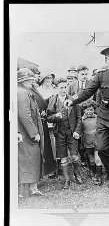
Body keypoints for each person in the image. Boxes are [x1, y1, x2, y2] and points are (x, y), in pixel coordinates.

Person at [65, 46, 109, 194]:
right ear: (106, 60)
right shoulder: (100, 76)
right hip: (104, 117)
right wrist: (72, 100)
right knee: (102, 149)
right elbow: (87, 91)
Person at [47, 78, 83, 189]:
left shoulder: (73, 100)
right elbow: (48, 117)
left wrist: (77, 131)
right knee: (63, 158)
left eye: (65, 87)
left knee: (74, 156)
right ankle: (67, 179)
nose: (63, 90)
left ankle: (77, 174)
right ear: (56, 88)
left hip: (72, 133)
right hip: (60, 133)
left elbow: (79, 118)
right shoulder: (53, 100)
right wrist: (56, 116)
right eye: (61, 87)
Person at [17, 68, 44, 197]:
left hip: (25, 133)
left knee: (29, 159)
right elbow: (25, 115)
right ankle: (27, 190)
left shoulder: (25, 91)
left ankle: (31, 189)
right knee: (29, 159)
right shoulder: (22, 93)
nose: (32, 82)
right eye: (29, 80)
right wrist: (34, 133)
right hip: (27, 134)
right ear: (23, 81)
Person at [80, 100, 104, 185]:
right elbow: (79, 131)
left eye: (91, 110)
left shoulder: (97, 118)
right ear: (84, 111)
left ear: (94, 109)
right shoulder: (82, 120)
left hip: (97, 141)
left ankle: (99, 176)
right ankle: (92, 172)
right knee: (91, 160)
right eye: (87, 110)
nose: (89, 112)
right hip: (87, 142)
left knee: (98, 159)